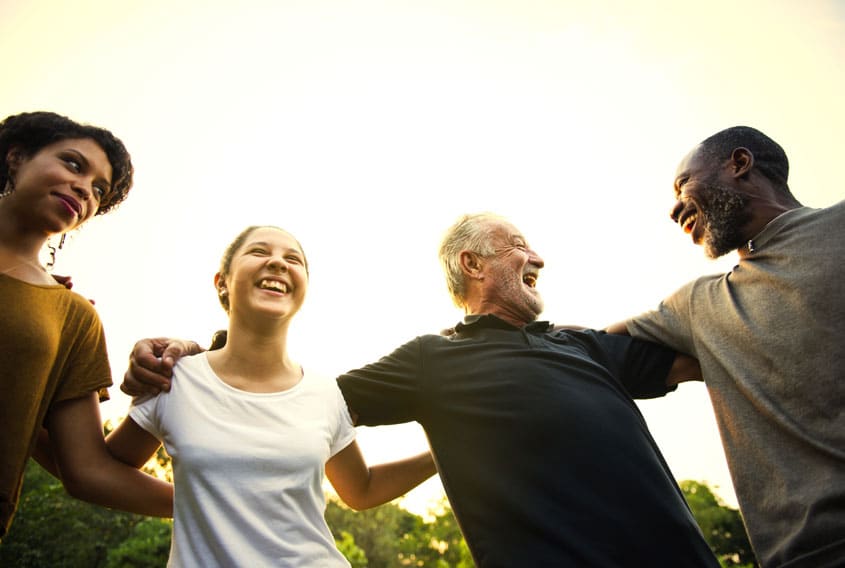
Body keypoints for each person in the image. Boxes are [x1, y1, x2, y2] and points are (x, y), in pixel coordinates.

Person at [123, 214, 720, 567]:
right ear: (473, 264)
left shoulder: (587, 346)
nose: (537, 255)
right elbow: (288, 402)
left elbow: (708, 357)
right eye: (517, 245)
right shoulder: (432, 360)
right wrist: (197, 354)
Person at [106, 225, 436, 566]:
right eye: (260, 252)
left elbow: (361, 490)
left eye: (292, 259)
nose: (278, 263)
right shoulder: (173, 379)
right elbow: (97, 469)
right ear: (222, 282)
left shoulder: (325, 392)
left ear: (304, 287)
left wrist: (442, 451)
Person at [606, 126, 845, 568]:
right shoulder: (699, 306)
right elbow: (590, 347)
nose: (675, 209)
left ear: (738, 164)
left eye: (683, 185)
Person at [0, 111, 173, 539]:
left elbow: (86, 469)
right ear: (16, 157)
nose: (84, 189)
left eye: (99, 190)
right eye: (73, 165)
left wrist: (222, 498)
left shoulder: (72, 316)